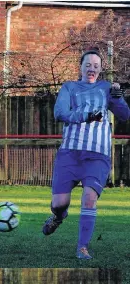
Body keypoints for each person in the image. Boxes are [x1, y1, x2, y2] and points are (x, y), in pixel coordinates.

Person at [42, 50, 129, 259]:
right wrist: (84, 115)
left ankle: (82, 247)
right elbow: (59, 113)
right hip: (70, 153)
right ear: (80, 66)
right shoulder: (69, 87)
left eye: (96, 65)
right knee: (59, 203)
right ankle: (58, 216)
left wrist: (118, 99)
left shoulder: (106, 88)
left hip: (98, 154)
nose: (92, 68)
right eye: (88, 64)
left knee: (89, 199)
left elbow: (125, 115)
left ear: (101, 69)